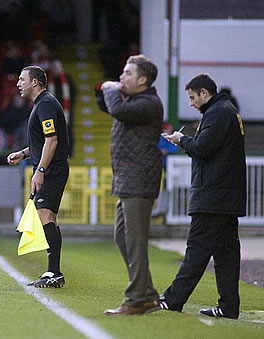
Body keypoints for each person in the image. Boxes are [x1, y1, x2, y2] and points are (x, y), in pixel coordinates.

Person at [160, 73, 246, 319]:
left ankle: (173, 300)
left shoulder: (218, 113)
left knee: (196, 250)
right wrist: (189, 142)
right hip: (226, 197)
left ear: (204, 93)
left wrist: (181, 140)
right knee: (226, 254)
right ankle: (228, 307)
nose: (191, 103)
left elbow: (202, 148)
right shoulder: (226, 111)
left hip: (213, 196)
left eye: (192, 97)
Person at [95, 55, 163, 315]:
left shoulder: (149, 103)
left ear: (142, 80)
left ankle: (137, 300)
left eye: (128, 73)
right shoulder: (136, 101)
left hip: (139, 178)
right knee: (123, 238)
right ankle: (147, 293)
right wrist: (105, 91)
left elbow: (119, 111)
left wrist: (111, 89)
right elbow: (108, 107)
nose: (122, 77)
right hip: (128, 178)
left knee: (134, 240)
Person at [7, 65, 69, 288]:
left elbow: (52, 141)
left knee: (46, 216)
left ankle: (54, 272)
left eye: (22, 79)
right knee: (49, 217)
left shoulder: (45, 105)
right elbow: (43, 142)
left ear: (35, 82)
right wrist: (23, 153)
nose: (18, 84)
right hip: (51, 167)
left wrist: (40, 170)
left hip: (51, 169)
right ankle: (54, 272)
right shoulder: (43, 105)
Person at [48, 59, 76, 157]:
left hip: (66, 110)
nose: (56, 70)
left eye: (57, 68)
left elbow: (73, 93)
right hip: (53, 111)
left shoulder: (67, 79)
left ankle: (69, 152)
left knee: (68, 130)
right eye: (54, 68)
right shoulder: (48, 81)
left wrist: (68, 107)